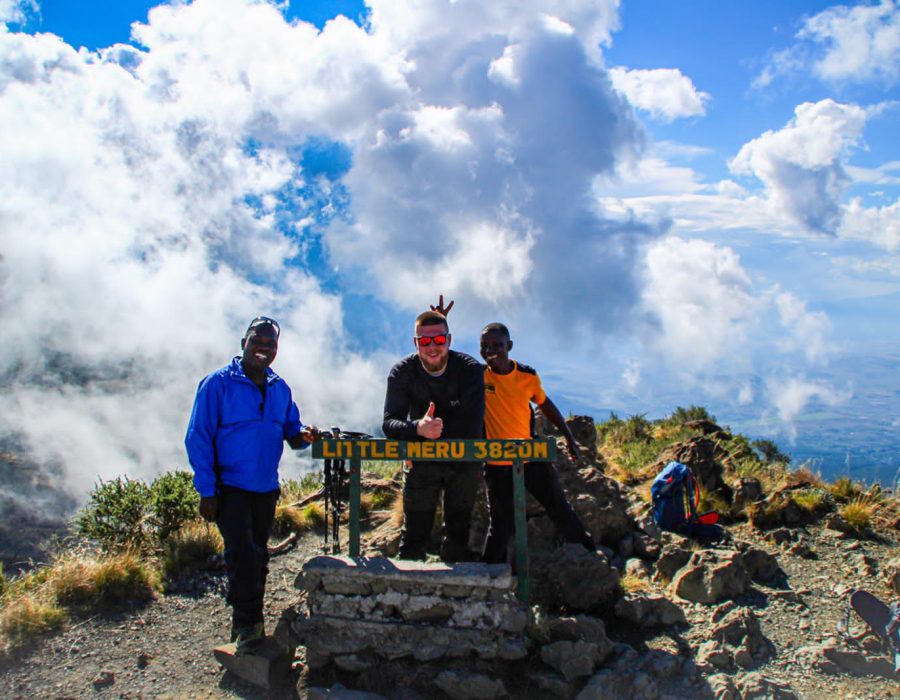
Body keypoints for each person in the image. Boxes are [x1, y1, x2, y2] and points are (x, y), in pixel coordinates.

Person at [185, 316, 319, 650]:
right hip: (229, 487)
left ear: (276, 349)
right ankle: (246, 626)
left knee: (258, 556)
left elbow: (291, 431)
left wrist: (304, 435)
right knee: (242, 554)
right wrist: (207, 490)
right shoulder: (217, 384)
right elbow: (197, 437)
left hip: (265, 488)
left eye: (270, 344)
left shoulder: (279, 388)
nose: (263, 348)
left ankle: (250, 622)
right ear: (244, 342)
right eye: (257, 341)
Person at [477, 321, 595, 563]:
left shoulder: (527, 376)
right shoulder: (478, 377)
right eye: (485, 346)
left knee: (559, 507)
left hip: (530, 457)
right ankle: (488, 577)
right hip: (497, 462)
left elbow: (545, 404)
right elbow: (446, 361)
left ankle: (589, 557)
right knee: (501, 523)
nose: (491, 350)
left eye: (497, 345)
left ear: (509, 346)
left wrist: (569, 436)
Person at [382, 310, 485, 561]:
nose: (432, 347)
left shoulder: (470, 370)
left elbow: (473, 423)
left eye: (438, 340)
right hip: (422, 460)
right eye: (425, 341)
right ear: (416, 343)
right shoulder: (402, 372)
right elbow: (389, 423)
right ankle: (405, 596)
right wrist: (418, 428)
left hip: (463, 461)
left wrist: (428, 433)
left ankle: (457, 592)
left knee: (458, 537)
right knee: (414, 537)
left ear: (449, 340)